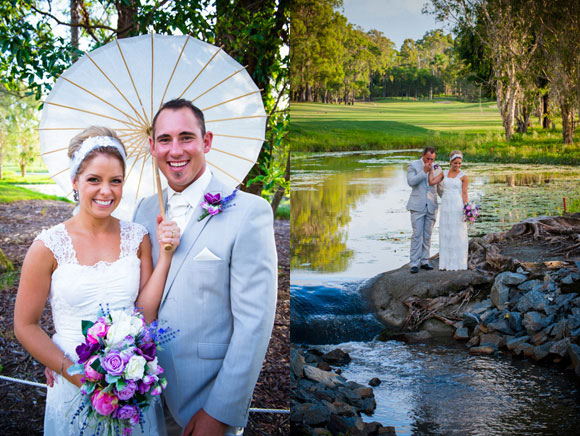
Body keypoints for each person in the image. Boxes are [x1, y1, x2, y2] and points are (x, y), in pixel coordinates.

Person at [13, 127, 181, 435]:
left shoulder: (137, 237)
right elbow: (25, 325)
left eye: (115, 181)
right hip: (72, 384)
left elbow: (145, 313)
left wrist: (166, 255)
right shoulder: (47, 246)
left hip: (131, 386)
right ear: (75, 181)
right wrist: (74, 373)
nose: (106, 191)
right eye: (94, 180)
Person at [133, 98, 277, 436]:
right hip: (141, 397)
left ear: (206, 141)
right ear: (153, 146)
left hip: (205, 401)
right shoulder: (142, 210)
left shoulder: (248, 212)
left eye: (186, 137)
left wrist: (220, 411)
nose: (175, 150)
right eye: (165, 140)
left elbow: (254, 323)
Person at [428, 149, 469, 270]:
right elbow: (432, 182)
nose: (458, 165)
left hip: (457, 205)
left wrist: (467, 210)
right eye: (455, 163)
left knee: (457, 232)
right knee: (446, 231)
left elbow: (465, 194)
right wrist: (431, 170)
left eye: (460, 163)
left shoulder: (464, 176)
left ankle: (458, 262)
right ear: (451, 162)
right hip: (446, 205)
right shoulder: (444, 173)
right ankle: (446, 263)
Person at [406, 146, 442, 274]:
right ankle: (414, 263)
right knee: (417, 235)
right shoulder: (413, 165)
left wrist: (453, 200)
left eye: (432, 159)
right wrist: (424, 172)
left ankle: (425, 260)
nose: (430, 162)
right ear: (423, 155)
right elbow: (411, 182)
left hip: (432, 205)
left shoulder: (437, 167)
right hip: (417, 205)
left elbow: (440, 189)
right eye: (428, 159)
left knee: (428, 235)